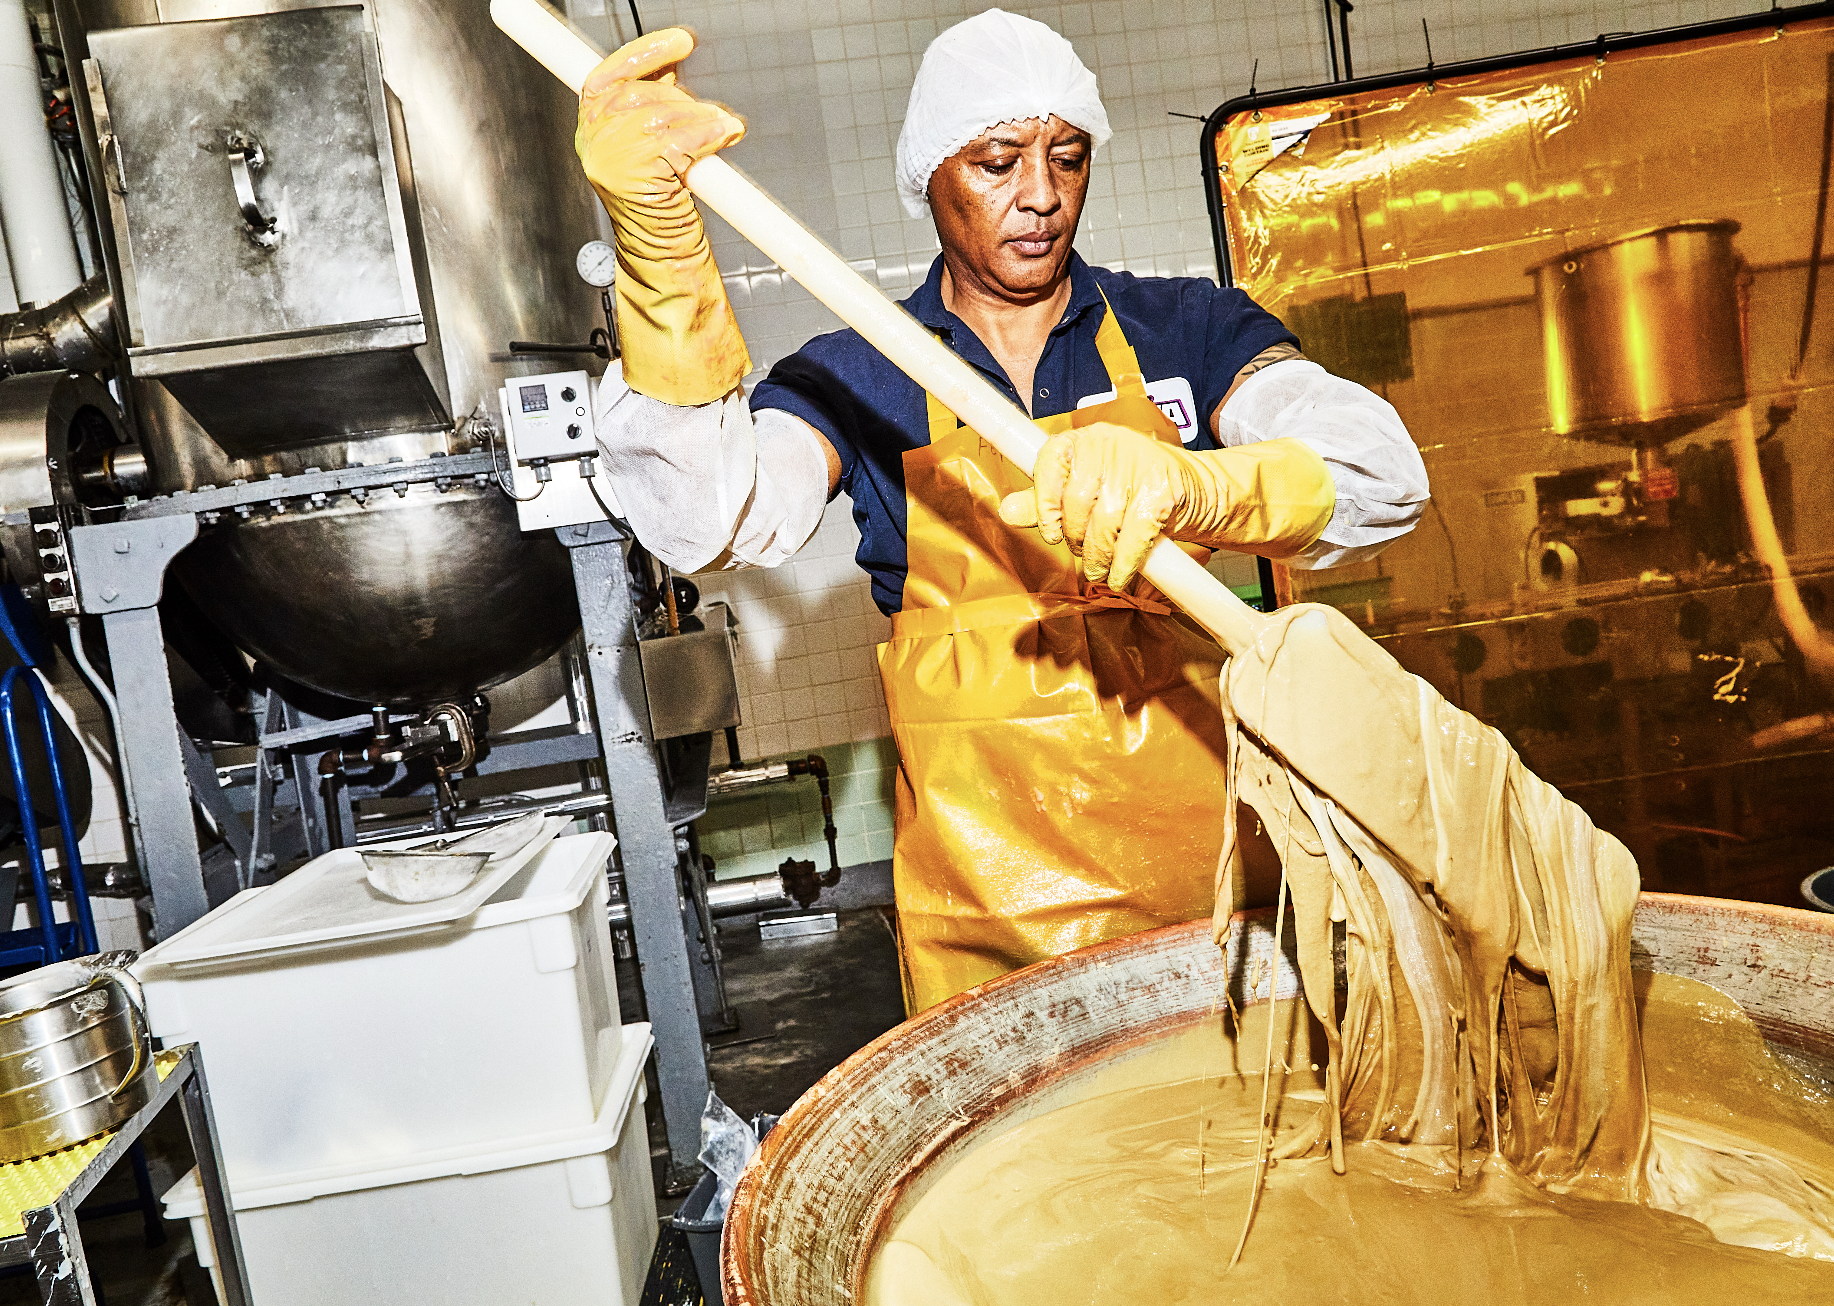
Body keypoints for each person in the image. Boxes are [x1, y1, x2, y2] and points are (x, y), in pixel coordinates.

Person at [575, 10, 1429, 1013]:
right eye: (995, 161)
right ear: (928, 180)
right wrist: (664, 269)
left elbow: (1383, 475)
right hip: (989, 931)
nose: (1040, 194)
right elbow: (712, 519)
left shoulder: (1187, 327)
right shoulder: (857, 372)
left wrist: (1202, 484)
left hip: (1217, 894)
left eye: (1066, 158)